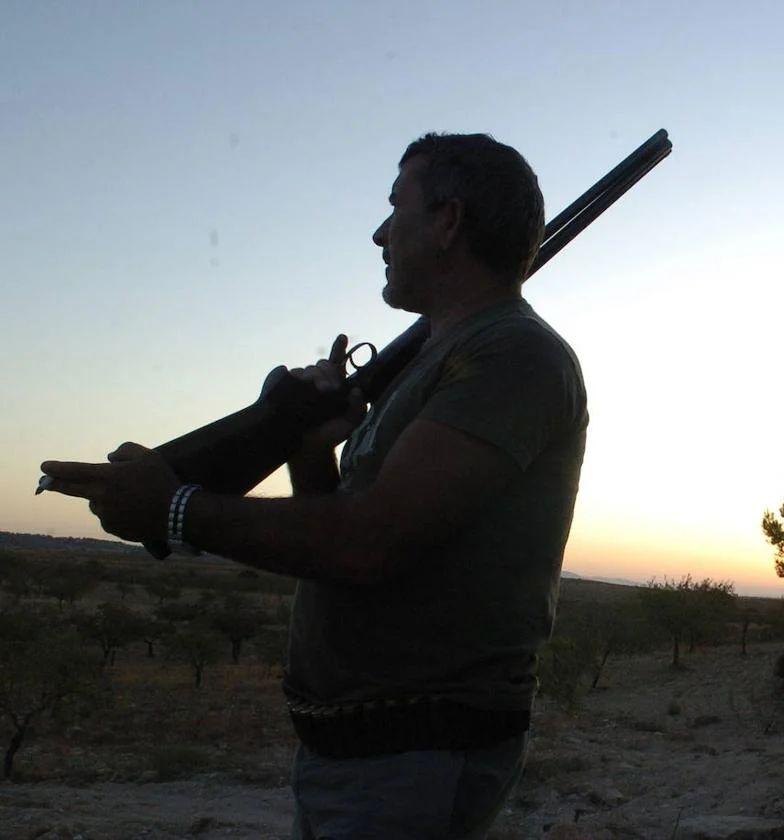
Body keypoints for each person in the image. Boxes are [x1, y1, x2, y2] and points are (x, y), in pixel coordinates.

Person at [40, 132, 589, 839]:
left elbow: (368, 546)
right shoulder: (442, 357)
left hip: (415, 758)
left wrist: (175, 508)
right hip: (367, 759)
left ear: (448, 222)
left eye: (397, 208)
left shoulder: (512, 353)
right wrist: (307, 449)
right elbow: (342, 537)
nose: (380, 233)